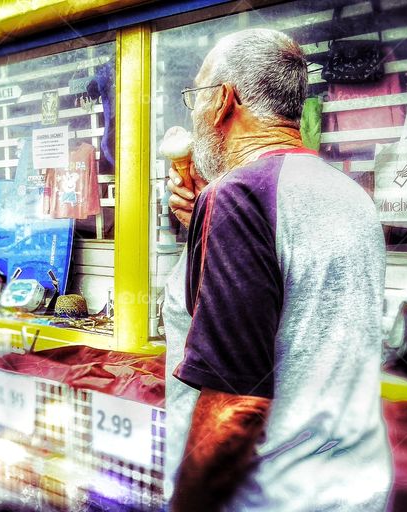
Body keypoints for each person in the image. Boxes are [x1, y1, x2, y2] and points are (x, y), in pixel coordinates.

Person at [162, 29, 392, 511]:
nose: (194, 113)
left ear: (224, 100)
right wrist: (205, 225)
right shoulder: (349, 194)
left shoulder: (239, 197)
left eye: (197, 97)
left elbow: (234, 408)